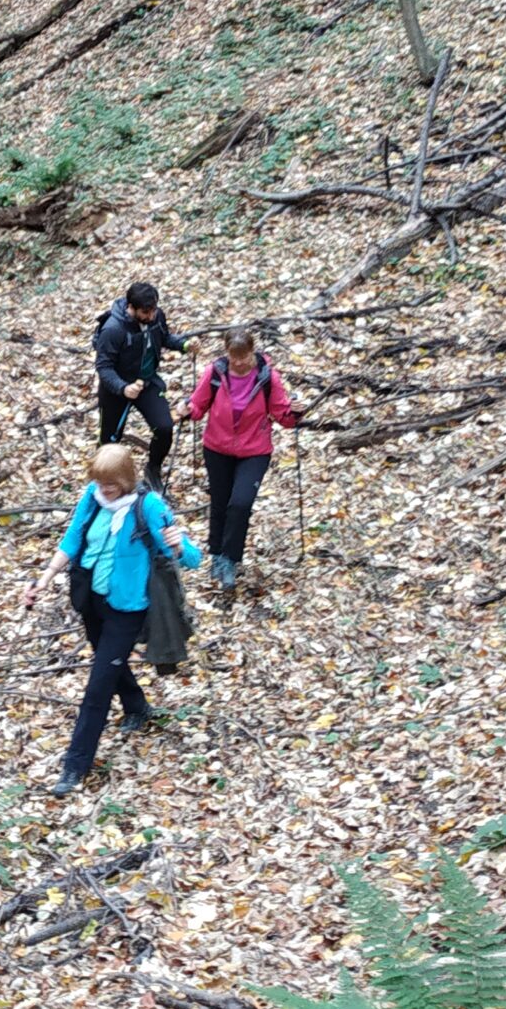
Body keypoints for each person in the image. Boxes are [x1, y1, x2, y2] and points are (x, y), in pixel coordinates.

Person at [25, 443, 200, 795]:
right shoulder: (93, 496)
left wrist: (179, 545)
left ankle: (74, 767)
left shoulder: (147, 506)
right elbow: (73, 537)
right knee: (110, 664)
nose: (103, 490)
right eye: (99, 482)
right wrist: (44, 579)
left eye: (110, 483)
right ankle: (137, 707)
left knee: (98, 685)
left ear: (126, 478)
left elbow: (189, 557)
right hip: (91, 599)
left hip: (127, 607)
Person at [184, 327, 300, 593]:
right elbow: (198, 404)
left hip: (255, 450)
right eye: (234, 357)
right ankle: (217, 556)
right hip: (217, 447)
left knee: (241, 503)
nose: (239, 362)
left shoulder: (267, 376)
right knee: (220, 501)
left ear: (252, 351)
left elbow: (282, 414)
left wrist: (294, 413)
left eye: (244, 357)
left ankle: (230, 559)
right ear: (226, 353)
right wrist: (187, 409)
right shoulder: (216, 372)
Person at [93, 280, 188, 485]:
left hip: (147, 383)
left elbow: (164, 338)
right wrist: (123, 388)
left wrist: (184, 345)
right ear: (131, 307)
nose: (151, 316)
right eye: (146, 312)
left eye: (153, 310)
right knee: (109, 442)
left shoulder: (156, 317)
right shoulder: (113, 329)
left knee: (164, 427)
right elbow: (103, 367)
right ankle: (104, 483)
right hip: (116, 390)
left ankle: (153, 470)